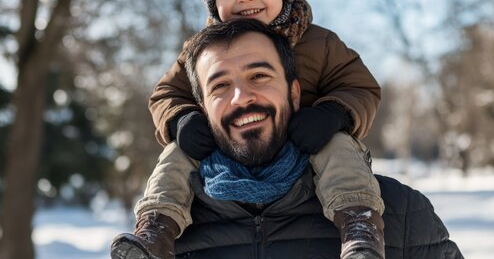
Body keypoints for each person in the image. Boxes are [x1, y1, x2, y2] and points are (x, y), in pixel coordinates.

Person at [114, 0, 385, 259]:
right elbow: (166, 93)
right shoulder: (202, 53)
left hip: (307, 145)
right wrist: (181, 119)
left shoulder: (319, 43)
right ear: (212, 3)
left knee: (339, 148)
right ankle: (156, 230)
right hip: (231, 146)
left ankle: (359, 227)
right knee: (175, 157)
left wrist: (333, 115)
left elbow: (360, 86)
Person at [111, 19, 463, 259]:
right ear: (200, 109)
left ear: (295, 94)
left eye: (259, 76)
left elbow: (360, 88)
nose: (241, 98)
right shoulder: (164, 238)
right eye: (220, 86)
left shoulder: (401, 216)